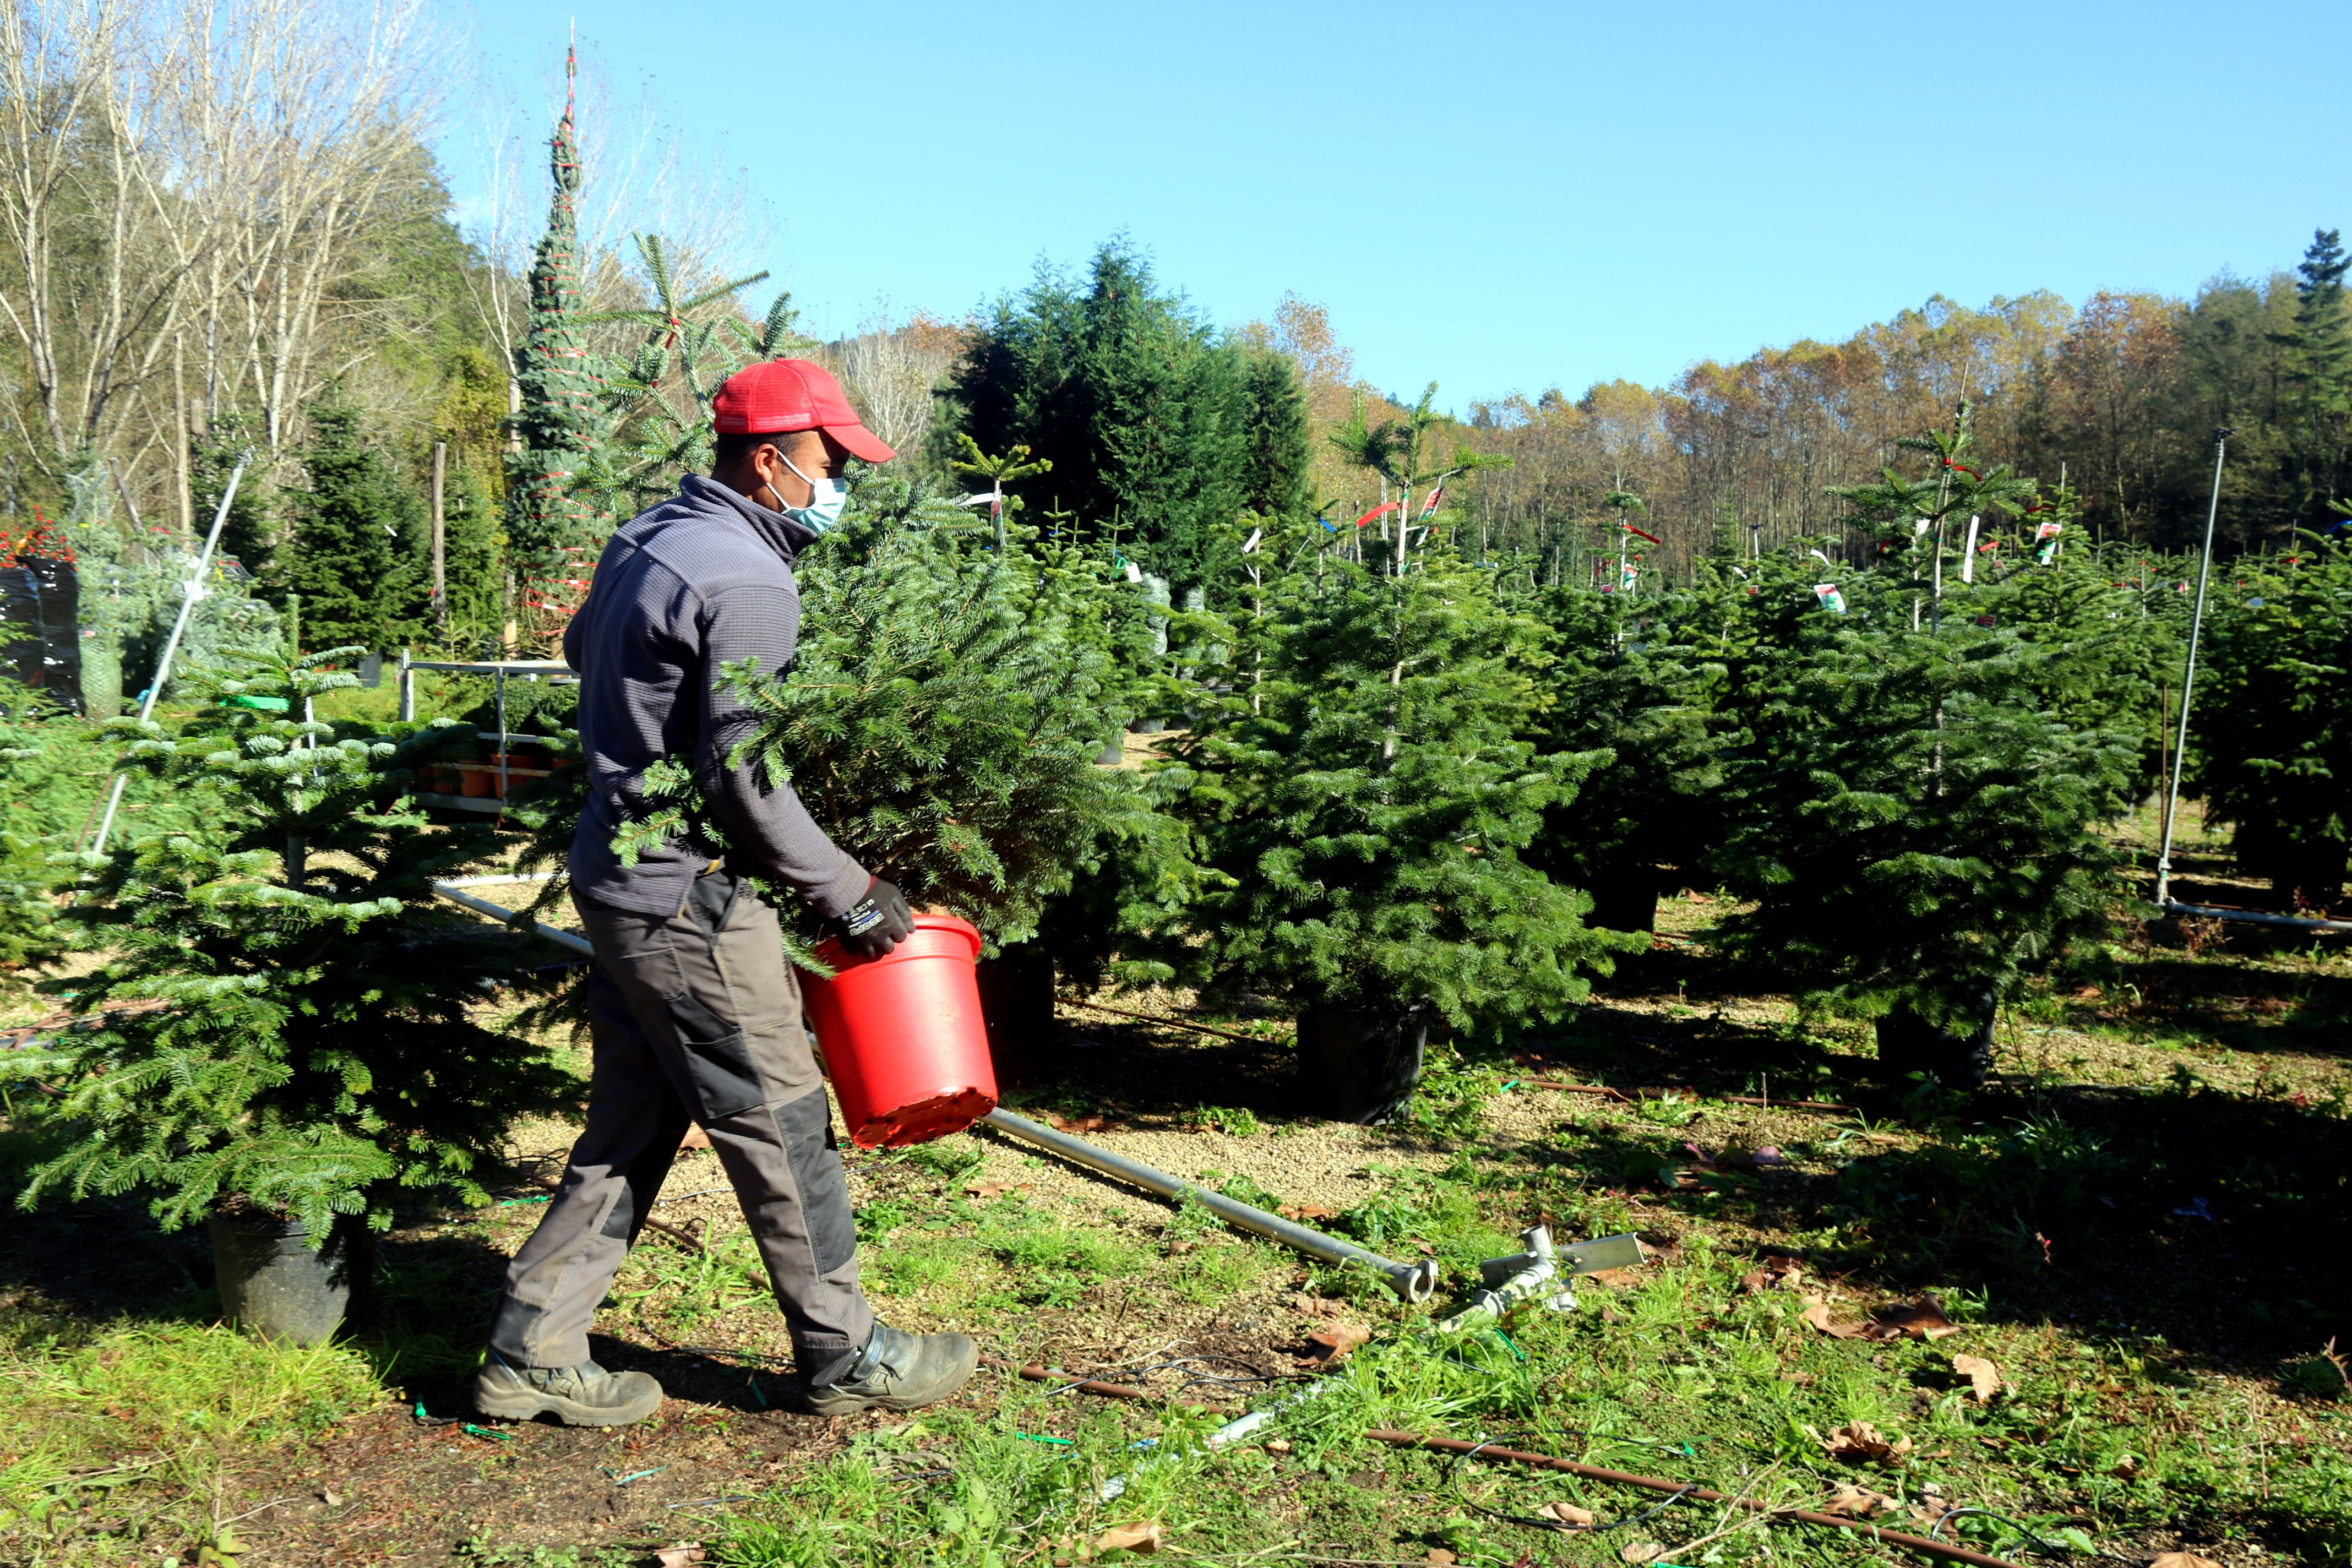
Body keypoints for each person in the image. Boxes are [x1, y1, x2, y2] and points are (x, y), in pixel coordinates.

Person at [475, 358, 979, 1427]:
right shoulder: (748, 578)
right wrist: (850, 890)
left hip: (615, 874)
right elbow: (746, 775)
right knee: (784, 1120)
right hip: (689, 897)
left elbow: (579, 648)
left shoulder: (647, 537)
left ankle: (532, 1343)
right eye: (829, 460)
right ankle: (847, 1352)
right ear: (769, 461)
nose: (841, 477)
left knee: (636, 1117)